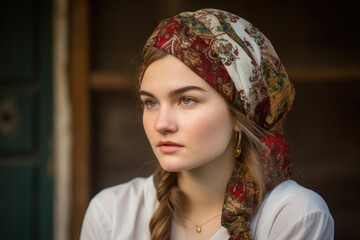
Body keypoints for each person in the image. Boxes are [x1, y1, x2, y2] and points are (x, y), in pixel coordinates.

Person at [80, 8, 334, 240]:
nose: (161, 124)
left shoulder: (291, 215)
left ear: (240, 114)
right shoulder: (111, 214)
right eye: (151, 102)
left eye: (187, 100)